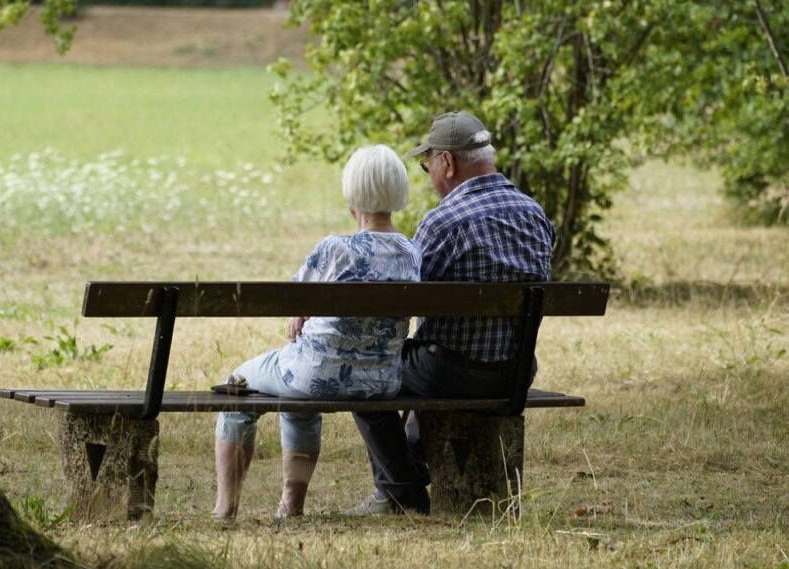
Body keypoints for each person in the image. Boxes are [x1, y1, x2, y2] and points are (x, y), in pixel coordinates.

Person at [345, 111, 555, 516]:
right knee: (429, 354)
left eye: (427, 166)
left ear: (447, 162)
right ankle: (408, 473)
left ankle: (401, 493)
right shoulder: (536, 215)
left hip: (451, 373)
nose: (429, 175)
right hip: (515, 372)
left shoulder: (442, 222)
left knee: (363, 371)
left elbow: (405, 303)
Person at [212, 144, 421, 520]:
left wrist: (301, 313)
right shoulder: (411, 252)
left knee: (237, 385)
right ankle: (290, 506)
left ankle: (225, 509)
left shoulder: (334, 249)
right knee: (295, 398)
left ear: (352, 194)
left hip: (314, 375)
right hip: (381, 382)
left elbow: (292, 299)